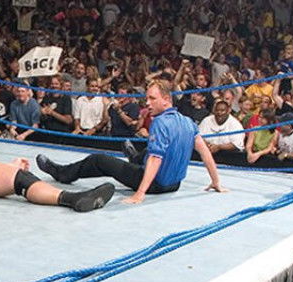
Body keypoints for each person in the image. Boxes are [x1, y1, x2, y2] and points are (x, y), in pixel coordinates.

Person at [37, 79, 225, 204]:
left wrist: (140, 193)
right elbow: (205, 152)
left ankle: (61, 173)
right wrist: (216, 181)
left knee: (98, 159)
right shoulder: (188, 122)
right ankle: (134, 156)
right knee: (152, 149)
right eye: (147, 98)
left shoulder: (160, 122)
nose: (147, 103)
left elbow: (155, 159)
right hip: (175, 184)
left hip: (155, 184)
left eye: (152, 98)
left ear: (166, 99)